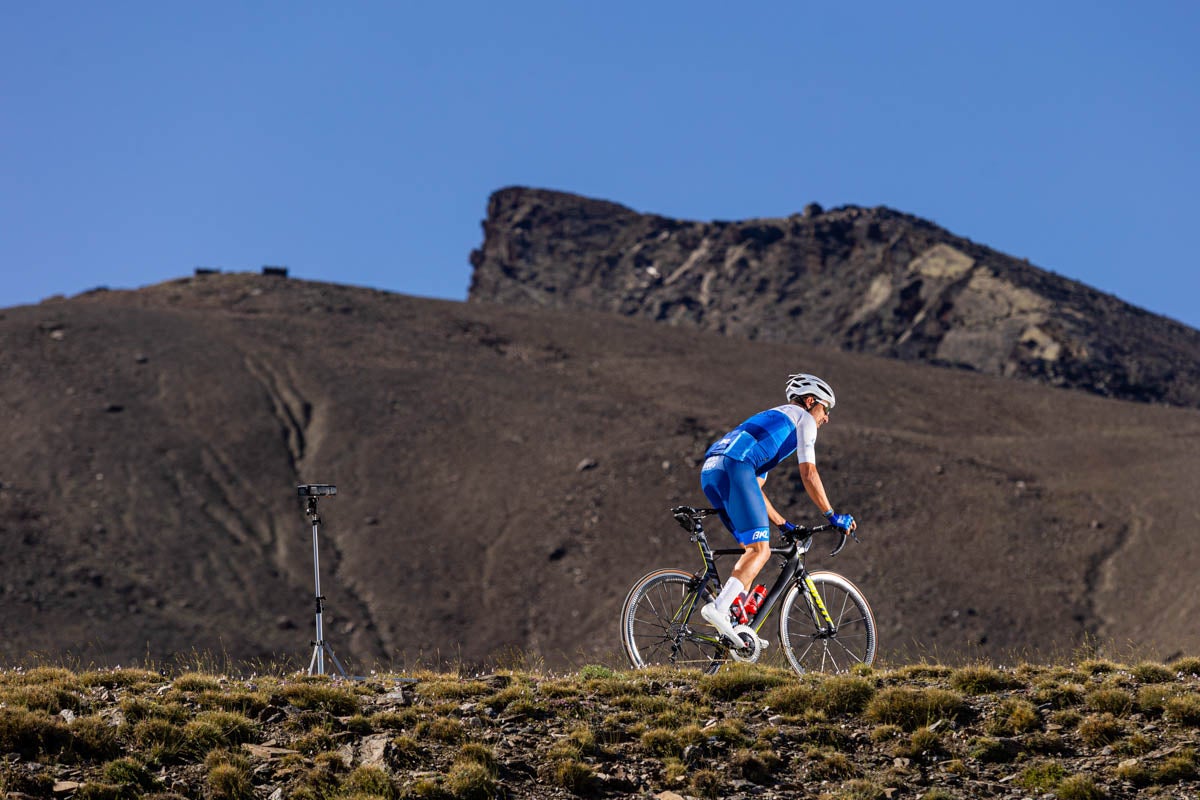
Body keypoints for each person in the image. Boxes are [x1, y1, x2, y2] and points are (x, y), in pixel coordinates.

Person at [699, 373, 857, 645]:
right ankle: (718, 608)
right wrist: (832, 515)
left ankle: (737, 628)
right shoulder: (803, 418)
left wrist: (783, 524)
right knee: (762, 550)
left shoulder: (771, 425)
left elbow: (756, 490)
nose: (827, 418)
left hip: (712, 470)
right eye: (826, 408)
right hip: (735, 468)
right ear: (810, 401)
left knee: (752, 550)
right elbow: (809, 474)